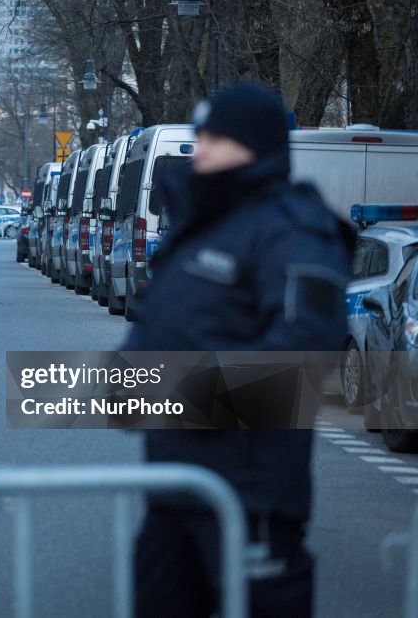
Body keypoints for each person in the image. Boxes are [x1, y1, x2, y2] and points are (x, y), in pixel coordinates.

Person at [123, 82, 353, 617]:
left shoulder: (294, 230)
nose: (199, 148)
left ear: (256, 146)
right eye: (199, 134)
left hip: (251, 494)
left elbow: (300, 359)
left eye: (215, 137)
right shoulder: (199, 228)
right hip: (173, 487)